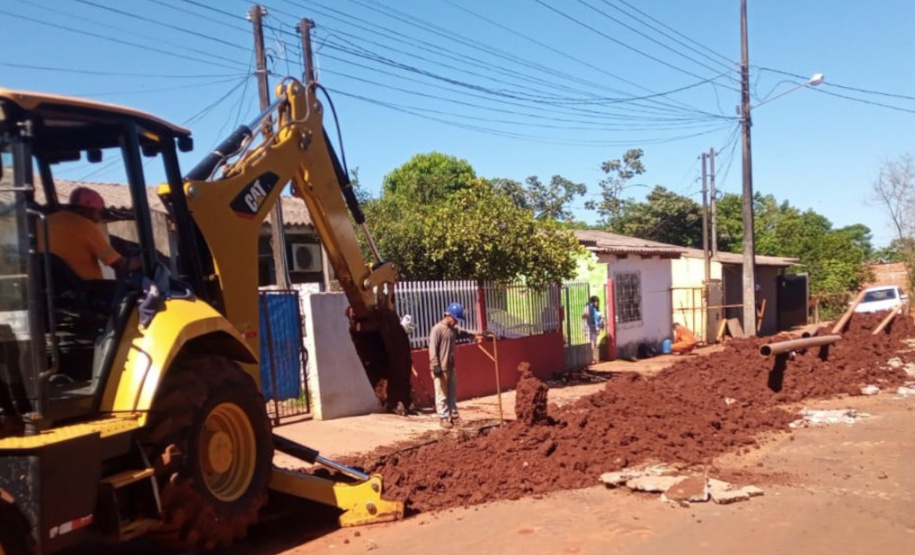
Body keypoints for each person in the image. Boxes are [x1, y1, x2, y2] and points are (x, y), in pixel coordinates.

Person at [39, 187, 138, 280]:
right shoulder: (84, 226)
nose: (99, 218)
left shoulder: (43, 222)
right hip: (86, 290)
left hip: (55, 289)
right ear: (90, 209)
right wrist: (145, 259)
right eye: (99, 212)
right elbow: (120, 264)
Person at [428, 302, 480, 429]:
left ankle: (454, 415)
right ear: (449, 316)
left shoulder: (453, 329)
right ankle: (444, 417)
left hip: (451, 366)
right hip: (441, 368)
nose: (457, 322)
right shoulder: (437, 329)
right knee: (441, 394)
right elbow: (432, 349)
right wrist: (435, 365)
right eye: (456, 319)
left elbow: (462, 333)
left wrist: (477, 334)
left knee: (451, 393)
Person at [581, 296, 603, 364]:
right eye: (595, 301)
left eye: (597, 301)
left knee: (595, 343)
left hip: (594, 328)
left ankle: (595, 358)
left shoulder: (597, 310)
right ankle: (591, 359)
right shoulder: (587, 308)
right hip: (587, 328)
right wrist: (586, 315)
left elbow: (599, 318)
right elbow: (583, 316)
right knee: (591, 344)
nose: (596, 303)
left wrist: (601, 324)